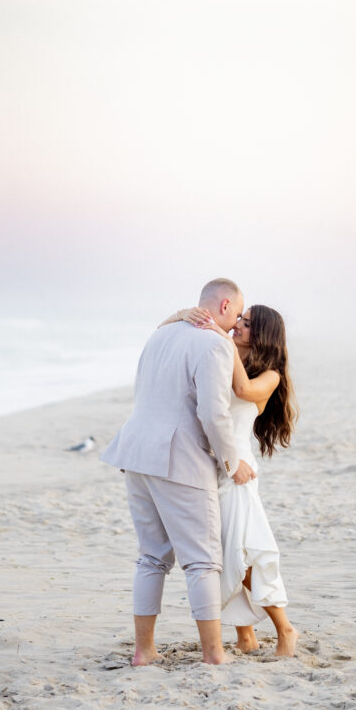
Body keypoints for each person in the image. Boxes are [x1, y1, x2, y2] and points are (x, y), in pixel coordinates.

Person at [100, 278, 255, 666]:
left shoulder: (160, 334)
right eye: (236, 314)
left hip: (136, 452)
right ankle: (214, 654)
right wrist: (231, 463)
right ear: (223, 306)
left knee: (151, 557)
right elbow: (212, 413)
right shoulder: (215, 343)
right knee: (203, 561)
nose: (236, 325)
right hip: (179, 459)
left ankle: (143, 651)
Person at [160, 302, 299, 657]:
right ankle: (246, 636)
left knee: (245, 553)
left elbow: (242, 391)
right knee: (223, 555)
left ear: (264, 334)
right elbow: (162, 337)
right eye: (238, 318)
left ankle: (285, 630)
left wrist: (221, 336)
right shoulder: (223, 354)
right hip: (210, 468)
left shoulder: (270, 376)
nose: (237, 325)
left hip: (238, 474)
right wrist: (181, 316)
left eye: (247, 323)